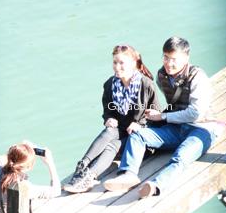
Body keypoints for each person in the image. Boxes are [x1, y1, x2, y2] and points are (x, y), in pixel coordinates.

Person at [103, 36, 225, 197]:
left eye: (173, 59)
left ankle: (154, 186)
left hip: (202, 129)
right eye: (165, 57)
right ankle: (129, 174)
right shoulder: (162, 76)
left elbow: (196, 113)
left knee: (180, 157)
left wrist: (163, 117)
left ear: (186, 58)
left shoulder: (198, 77)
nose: (168, 63)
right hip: (176, 127)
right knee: (138, 135)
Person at [63, 44, 161, 193]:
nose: (117, 67)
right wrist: (109, 118)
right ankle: (82, 166)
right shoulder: (110, 84)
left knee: (112, 145)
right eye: (115, 62)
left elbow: (156, 116)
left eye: (122, 63)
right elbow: (108, 110)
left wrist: (140, 126)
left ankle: (89, 178)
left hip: (139, 139)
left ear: (133, 64)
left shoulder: (146, 85)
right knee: (109, 131)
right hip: (120, 130)